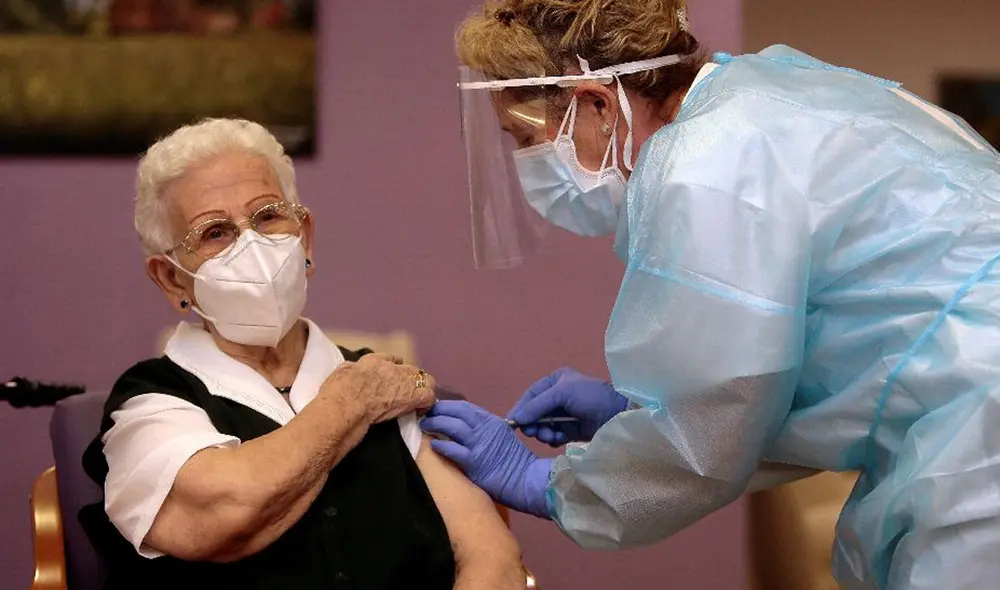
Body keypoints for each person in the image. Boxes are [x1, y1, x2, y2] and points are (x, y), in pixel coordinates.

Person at [419, 1, 1000, 588]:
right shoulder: (759, 92)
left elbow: (714, 427)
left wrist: (547, 483)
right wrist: (639, 413)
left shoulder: (707, 162)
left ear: (596, 103)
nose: (527, 164)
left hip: (982, 433)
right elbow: (774, 374)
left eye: (526, 138)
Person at [79, 118, 526, 590]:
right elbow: (227, 512)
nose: (251, 244)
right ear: (172, 279)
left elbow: (492, 558)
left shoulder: (384, 383)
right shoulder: (150, 404)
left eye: (268, 216)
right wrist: (351, 404)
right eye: (214, 233)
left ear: (305, 237)